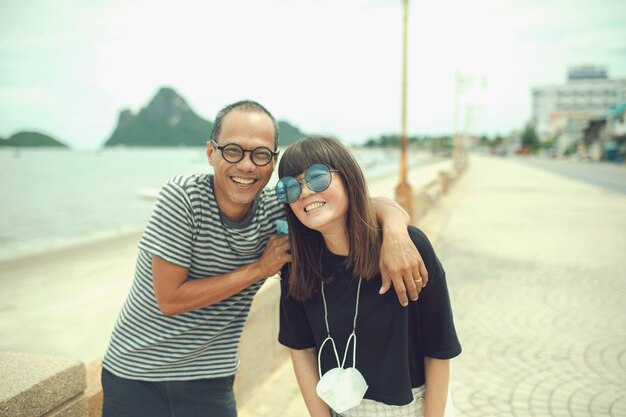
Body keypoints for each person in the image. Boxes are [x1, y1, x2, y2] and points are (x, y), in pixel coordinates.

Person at [101, 100, 428, 417]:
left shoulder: (279, 207)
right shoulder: (183, 197)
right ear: (211, 153)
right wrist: (259, 269)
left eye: (260, 155)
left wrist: (397, 231)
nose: (246, 165)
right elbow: (169, 299)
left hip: (212, 377)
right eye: (233, 151)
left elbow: (357, 202)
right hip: (137, 373)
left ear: (272, 163)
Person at [277, 136, 462, 417]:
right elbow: (301, 349)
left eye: (317, 177)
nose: (304, 192)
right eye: (290, 187)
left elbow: (438, 349)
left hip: (411, 409)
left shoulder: (407, 248)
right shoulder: (297, 266)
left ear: (348, 177)